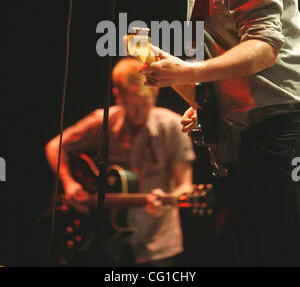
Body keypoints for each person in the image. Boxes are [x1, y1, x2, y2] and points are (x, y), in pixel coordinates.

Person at [140, 0, 300, 266]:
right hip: (245, 142)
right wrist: (202, 95)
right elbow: (231, 60)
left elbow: (265, 47)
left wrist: (190, 68)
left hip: (280, 137)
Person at [45, 57, 195, 267]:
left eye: (143, 105)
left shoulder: (172, 126)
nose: (137, 114)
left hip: (156, 243)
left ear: (155, 93)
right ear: (117, 95)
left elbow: (185, 186)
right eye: (130, 105)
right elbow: (55, 146)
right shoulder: (104, 121)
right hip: (104, 243)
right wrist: (69, 182)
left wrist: (169, 199)